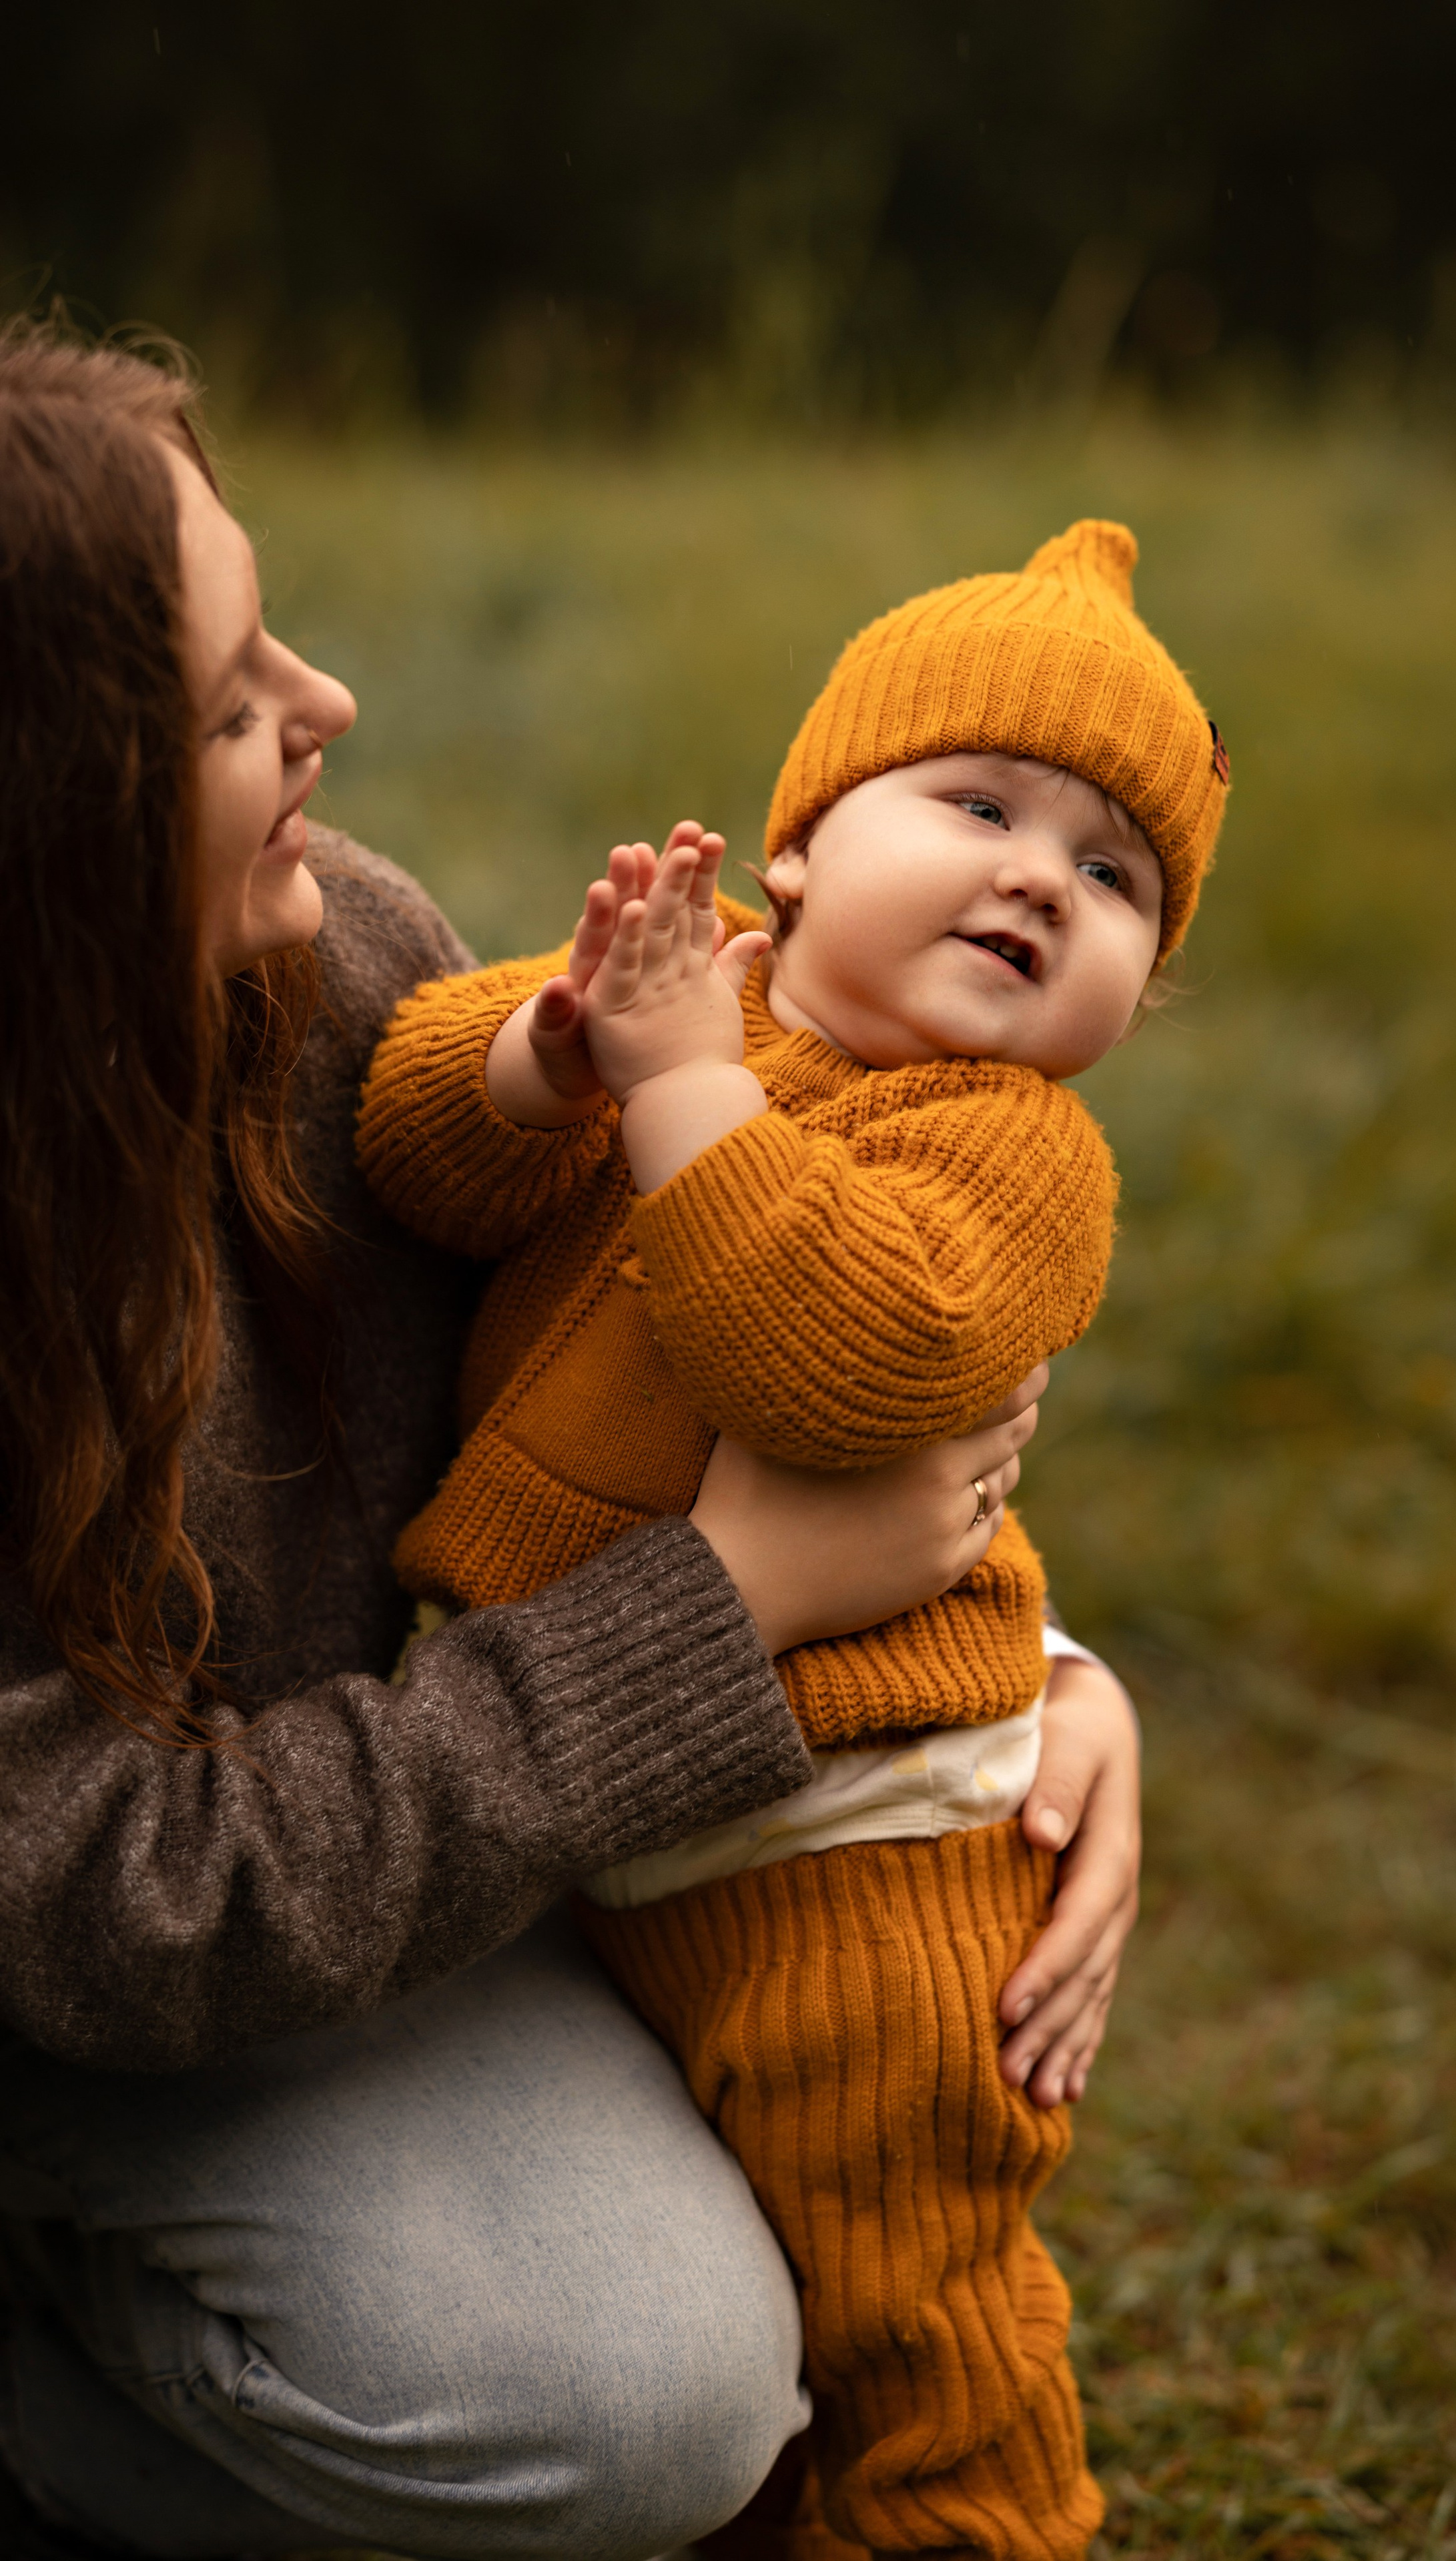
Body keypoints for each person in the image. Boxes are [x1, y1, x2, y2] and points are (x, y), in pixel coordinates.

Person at [0, 324, 1140, 2561]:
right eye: (227, 708)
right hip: (85, 1979)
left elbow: (697, 1351)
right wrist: (725, 1614)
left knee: (703, 2368)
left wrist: (1040, 1680)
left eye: (277, 632)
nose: (328, 705)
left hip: (361, 1880)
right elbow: (111, 1907)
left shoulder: (326, 959)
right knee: (615, 2406)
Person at [357, 520, 1224, 2560]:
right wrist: (550, 1057)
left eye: (1117, 877)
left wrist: (678, 1093)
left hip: (857, 1846)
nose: (1044, 877)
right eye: (981, 806)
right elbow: (407, 1152)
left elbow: (833, 1359)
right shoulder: (687, 996)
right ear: (801, 849)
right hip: (613, 1805)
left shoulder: (1008, 1151)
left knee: (905, 2304)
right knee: (746, 2304)